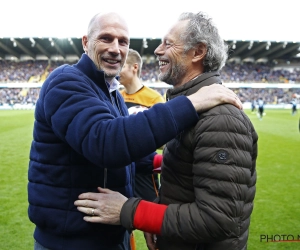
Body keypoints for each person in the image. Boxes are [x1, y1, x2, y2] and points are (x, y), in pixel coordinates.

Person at [27, 11, 243, 250]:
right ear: (86, 43)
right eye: (106, 38)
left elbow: (127, 154)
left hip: (109, 233)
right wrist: (191, 103)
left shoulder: (109, 91)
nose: (115, 48)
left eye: (123, 42)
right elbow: (107, 143)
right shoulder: (65, 81)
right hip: (70, 242)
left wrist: (165, 160)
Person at [119, 48, 165, 202]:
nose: (118, 69)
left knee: (151, 213)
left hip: (145, 172)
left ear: (134, 67)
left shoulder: (154, 99)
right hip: (121, 168)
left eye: (122, 65)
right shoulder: (117, 97)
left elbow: (165, 140)